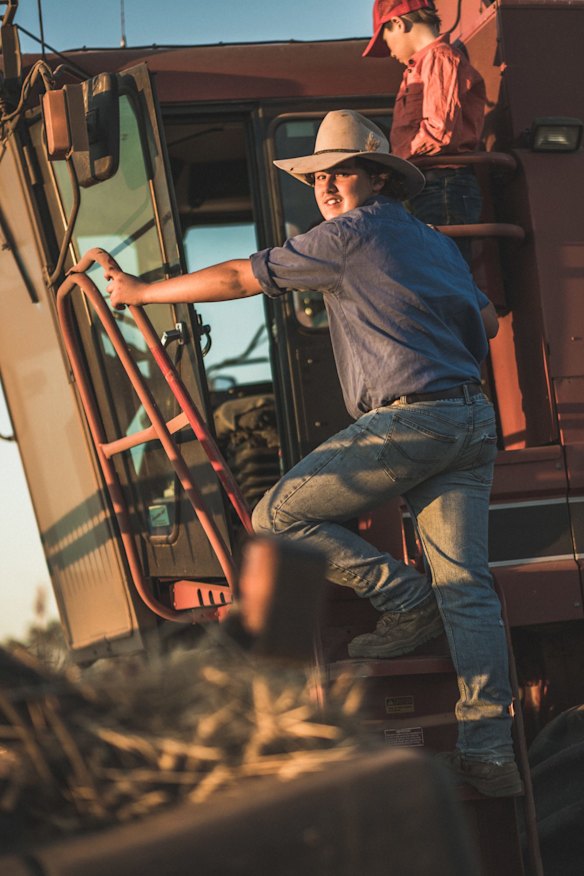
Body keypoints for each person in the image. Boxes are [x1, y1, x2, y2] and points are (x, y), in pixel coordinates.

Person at [105, 109, 521, 797]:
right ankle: (488, 752)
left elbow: (242, 278)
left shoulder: (349, 236)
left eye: (341, 173)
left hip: (412, 421)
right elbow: (487, 319)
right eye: (317, 176)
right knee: (469, 589)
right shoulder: (431, 240)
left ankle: (406, 599)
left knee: (274, 521)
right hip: (470, 419)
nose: (326, 186)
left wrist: (142, 292)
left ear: (376, 177)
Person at [363, 0, 487, 262]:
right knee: (435, 268)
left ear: (398, 23)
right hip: (433, 182)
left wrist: (395, 162)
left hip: (443, 184)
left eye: (385, 40)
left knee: (442, 269)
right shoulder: (422, 65)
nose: (390, 51)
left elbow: (439, 131)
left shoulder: (439, 58)